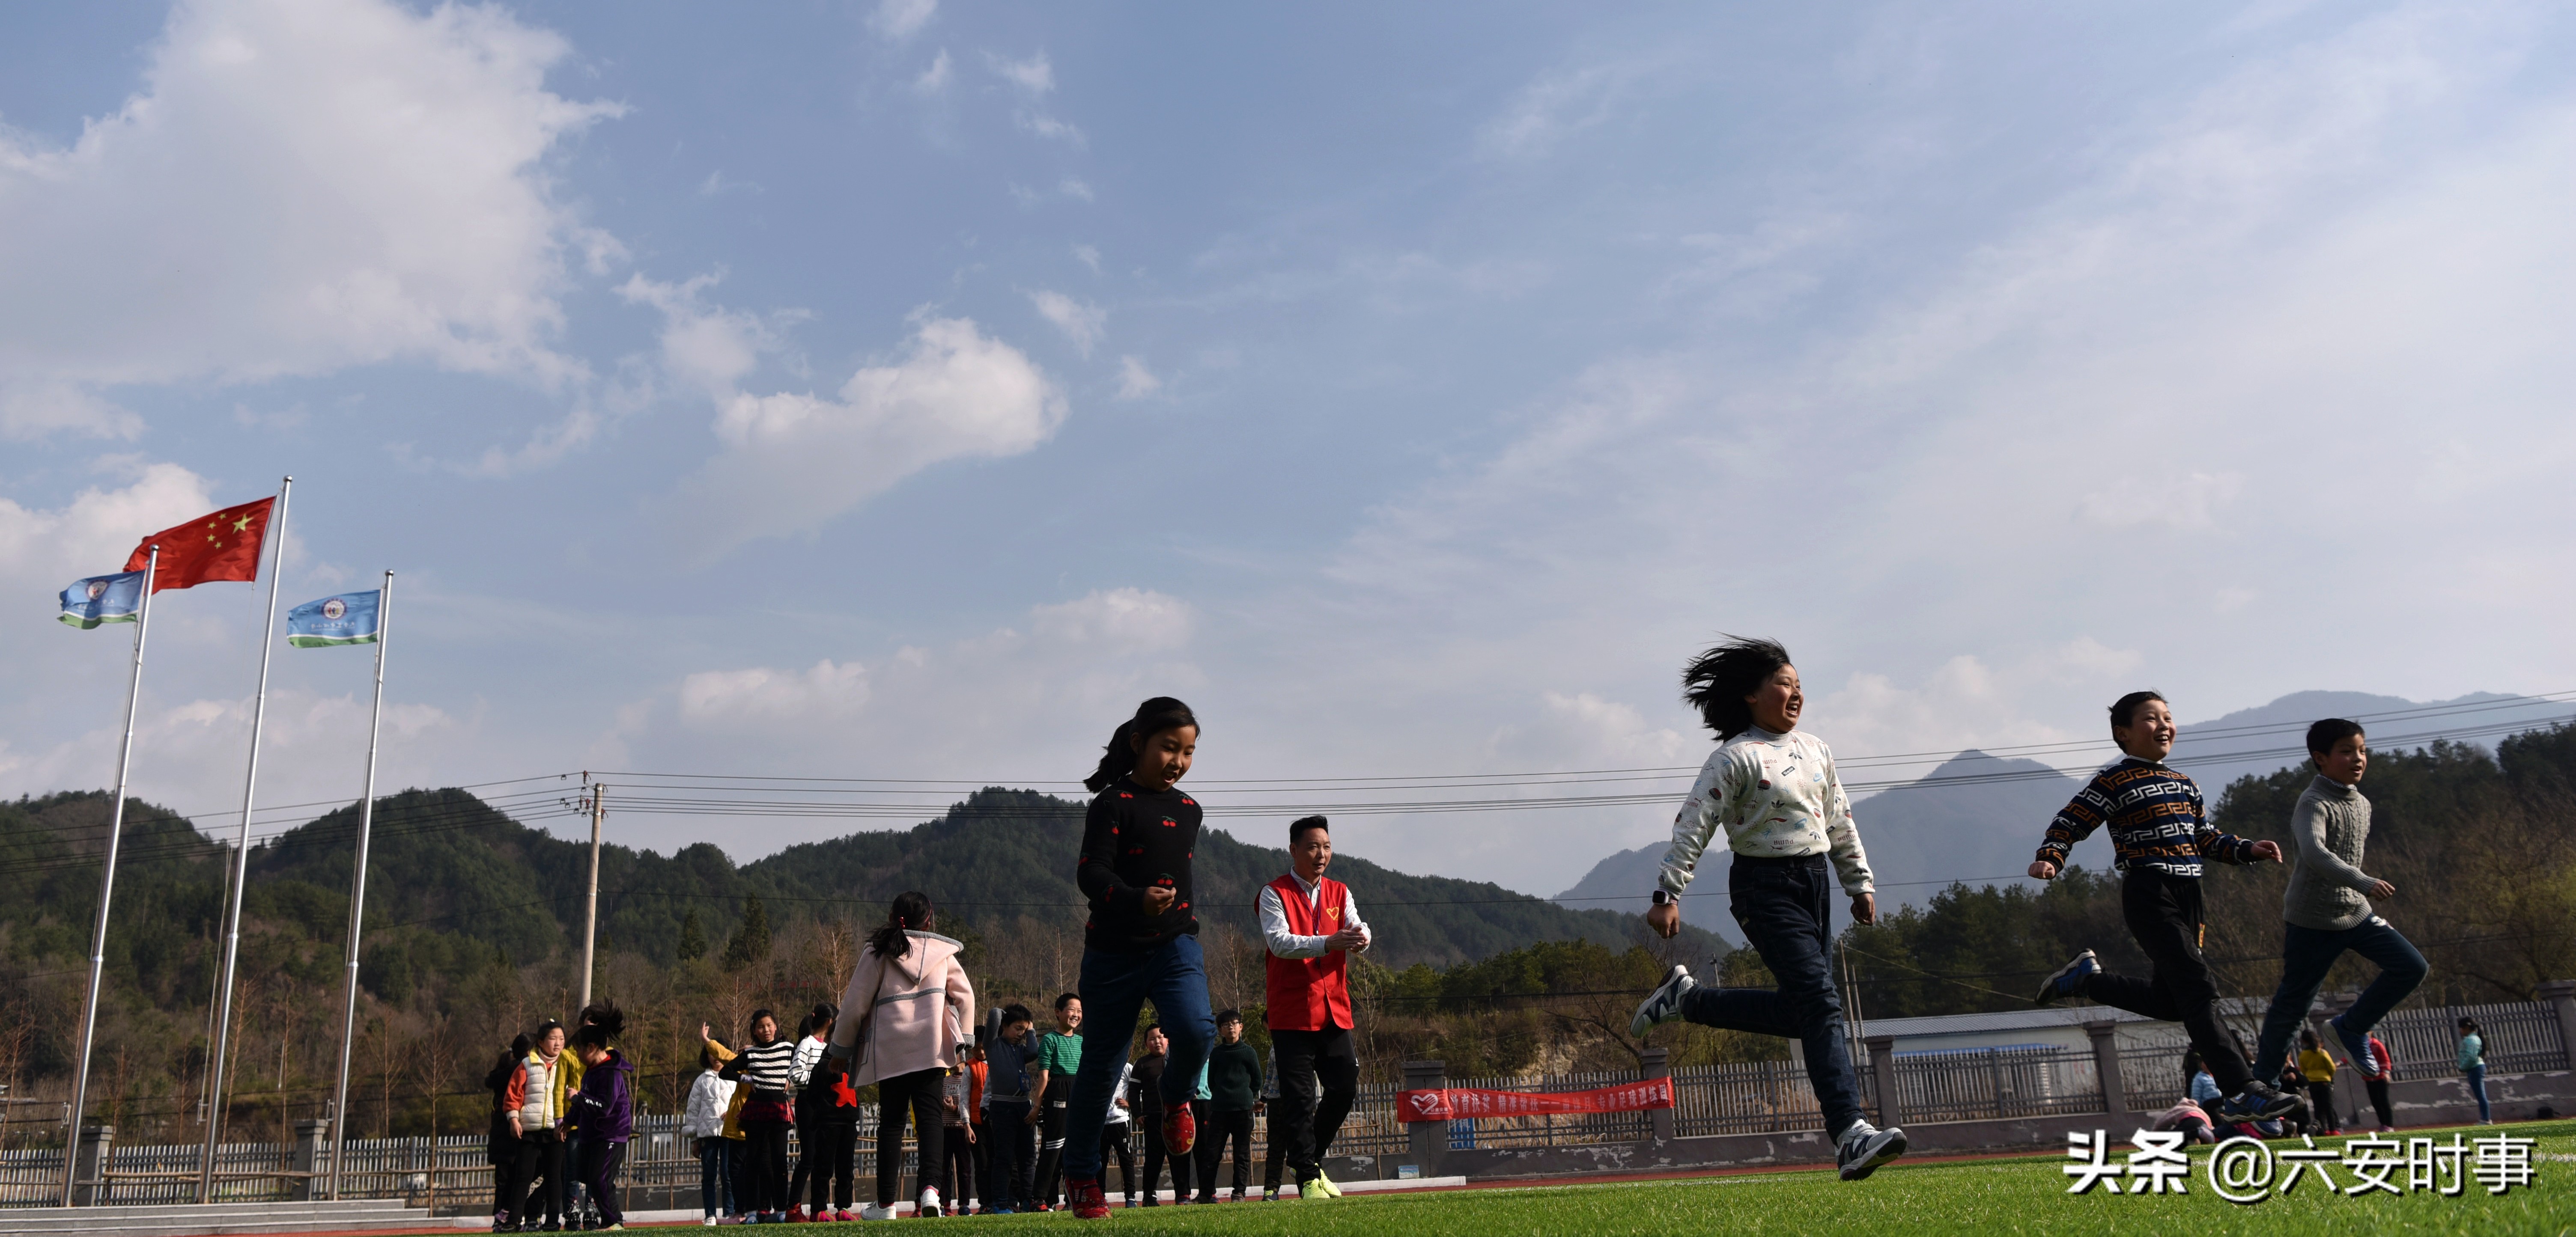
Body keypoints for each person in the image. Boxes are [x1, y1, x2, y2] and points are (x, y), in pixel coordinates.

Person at [1629, 638, 1908, 1181]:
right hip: (1763, 887)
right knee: (1822, 1004)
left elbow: (1839, 819)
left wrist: (1859, 884)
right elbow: (1694, 824)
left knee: (1805, 1011)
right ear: (1752, 696)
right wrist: (1667, 892)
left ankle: (1689, 1000)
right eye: (1785, 684)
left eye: (1800, 686)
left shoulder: (1817, 750)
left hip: (1816, 883)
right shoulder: (1734, 757)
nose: (1796, 693)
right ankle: (1850, 1132)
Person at [2024, 690, 2301, 1125]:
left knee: (2174, 1002)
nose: (2164, 725)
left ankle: (2089, 981)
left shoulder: (2185, 784)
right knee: (2198, 986)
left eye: (2168, 717)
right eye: (2150, 719)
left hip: (2191, 896)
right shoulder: (2113, 781)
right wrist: (2051, 857)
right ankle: (2243, 1088)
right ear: (2123, 733)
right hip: (2148, 891)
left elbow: (2206, 838)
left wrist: (2248, 849)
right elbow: (2071, 820)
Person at [1059, 697, 1220, 1221]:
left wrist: (1165, 914)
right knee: (1103, 1067)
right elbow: (1091, 873)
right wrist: (1135, 898)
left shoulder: (1191, 810)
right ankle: (1081, 1175)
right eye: (1169, 748)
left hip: (1176, 946)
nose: (1178, 760)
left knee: (1197, 1032)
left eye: (1189, 751)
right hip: (1112, 954)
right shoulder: (1112, 803)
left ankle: (1175, 1098)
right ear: (1139, 744)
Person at [2249, 721, 2428, 1089]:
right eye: (2346, 751)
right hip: (2312, 921)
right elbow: (2315, 853)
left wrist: (2359, 892)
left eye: (2361, 750)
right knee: (2292, 1008)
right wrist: (2364, 882)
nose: (2358, 759)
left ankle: (2351, 1026)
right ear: (2321, 758)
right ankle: (2261, 1090)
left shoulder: (2362, 803)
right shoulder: (2312, 802)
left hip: (2356, 914)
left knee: (2411, 967)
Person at [829, 890, 975, 1220]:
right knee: (930, 1121)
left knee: (892, 1124)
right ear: (930, 918)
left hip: (889, 1050)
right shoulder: (943, 953)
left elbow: (854, 1006)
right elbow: (966, 997)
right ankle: (930, 1193)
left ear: (894, 916)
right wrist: (964, 1042)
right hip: (932, 1050)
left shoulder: (878, 952)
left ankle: (885, 1206)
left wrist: (840, 1050)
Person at [1260, 815, 1370, 1202]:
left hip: (1334, 1008)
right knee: (1300, 1100)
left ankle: (1306, 1159)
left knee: (1344, 1086)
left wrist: (1361, 938)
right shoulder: (1274, 893)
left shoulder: (1341, 891)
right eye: (1312, 846)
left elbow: (1358, 926)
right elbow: (1279, 942)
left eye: (1326, 846)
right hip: (1291, 1013)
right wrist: (1329, 942)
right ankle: (1308, 1179)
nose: (1321, 854)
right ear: (1294, 851)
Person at [717, 1010, 796, 1222]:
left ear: (776, 1027)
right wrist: (746, 1079)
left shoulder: (788, 1048)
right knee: (752, 1161)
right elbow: (725, 1071)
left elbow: (802, 1064)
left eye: (769, 1025)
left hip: (779, 1109)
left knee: (780, 1161)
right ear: (754, 1031)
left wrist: (791, 1078)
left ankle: (781, 1210)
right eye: (761, 1027)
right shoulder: (750, 1054)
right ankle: (751, 1212)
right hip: (757, 1110)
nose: (766, 1030)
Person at [563, 1012, 633, 1232]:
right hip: (594, 1135)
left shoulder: (610, 1074)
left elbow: (604, 1107)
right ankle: (609, 1221)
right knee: (592, 1179)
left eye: (579, 1051)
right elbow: (583, 1106)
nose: (577, 1056)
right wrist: (569, 1121)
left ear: (591, 1047)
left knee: (600, 1178)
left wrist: (577, 1097)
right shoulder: (591, 1073)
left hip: (611, 1134)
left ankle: (615, 1222)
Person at [1196, 1011, 1263, 1203]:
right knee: (1212, 1154)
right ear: (1220, 1030)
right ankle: (1205, 1194)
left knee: (1241, 1154)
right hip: (1219, 1110)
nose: (1231, 1027)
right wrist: (1222, 1096)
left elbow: (1257, 1080)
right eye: (1226, 1025)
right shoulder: (1216, 1054)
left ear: (1241, 1027)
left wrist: (1245, 1095)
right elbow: (1211, 1081)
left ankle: (1239, 1193)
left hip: (1243, 1111)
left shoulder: (1249, 1052)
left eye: (1235, 1023)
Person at [1028, 993, 1085, 1209]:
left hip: (1077, 1091)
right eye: (1072, 1010)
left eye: (1080, 1012)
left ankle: (1072, 1199)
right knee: (1054, 1146)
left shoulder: (1081, 1041)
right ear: (1058, 1013)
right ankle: (1042, 1199)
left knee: (1074, 1148)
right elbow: (1044, 1077)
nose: (1076, 1015)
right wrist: (1037, 1106)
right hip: (1057, 1091)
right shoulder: (1050, 1040)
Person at [981, 1004, 1039, 1213]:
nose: (1020, 1034)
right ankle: (1000, 1203)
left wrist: (1031, 1029)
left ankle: (1029, 1199)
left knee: (1027, 1157)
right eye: (1017, 1028)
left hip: (1023, 1107)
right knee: (1004, 1157)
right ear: (1004, 1026)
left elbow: (1034, 1051)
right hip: (1002, 1107)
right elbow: (995, 1012)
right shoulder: (993, 1046)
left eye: (1024, 1030)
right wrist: (1012, 1014)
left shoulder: (1021, 1051)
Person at [784, 1004, 838, 1222]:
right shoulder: (807, 1043)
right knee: (808, 1158)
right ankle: (793, 1209)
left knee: (821, 1159)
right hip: (807, 1103)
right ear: (830, 1022)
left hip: (822, 1104)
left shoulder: (827, 1047)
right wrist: (819, 1082)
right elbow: (795, 1074)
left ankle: (819, 1208)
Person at [681, 1044, 735, 1227]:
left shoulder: (734, 1077)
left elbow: (740, 1100)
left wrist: (732, 1112)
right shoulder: (701, 1081)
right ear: (707, 1056)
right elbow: (693, 1111)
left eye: (718, 1052)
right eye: (711, 1053)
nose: (716, 1057)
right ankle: (710, 1215)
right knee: (709, 1175)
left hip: (729, 1133)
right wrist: (695, 1139)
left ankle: (729, 1213)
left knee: (728, 1174)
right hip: (707, 1135)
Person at [1130, 1025, 1180, 1207]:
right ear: (1146, 1044)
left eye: (1161, 1037)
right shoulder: (1142, 1064)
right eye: (1152, 1039)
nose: (1157, 1041)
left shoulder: (1176, 1060)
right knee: (1153, 1159)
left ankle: (1182, 1194)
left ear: (1168, 1040)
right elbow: (1133, 1092)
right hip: (1153, 1118)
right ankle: (1149, 1197)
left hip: (1176, 1117)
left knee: (1178, 1158)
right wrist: (1137, 1114)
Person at [487, 1035, 532, 1231]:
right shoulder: (521, 1069)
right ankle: (507, 1216)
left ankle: (502, 1217)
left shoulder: (503, 1071)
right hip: (512, 1129)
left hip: (501, 1130)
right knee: (514, 1178)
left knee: (505, 1179)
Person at [937, 1056, 978, 1215]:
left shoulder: (968, 1079)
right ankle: (944, 1204)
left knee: (964, 1169)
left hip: (962, 1129)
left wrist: (954, 1109)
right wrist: (944, 1105)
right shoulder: (945, 1080)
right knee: (943, 1169)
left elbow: (969, 1105)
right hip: (945, 1129)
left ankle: (964, 1204)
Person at [1100, 1051, 1138, 1206]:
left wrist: (1131, 1103)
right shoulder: (1097, 1067)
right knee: (1100, 1161)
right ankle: (1101, 1198)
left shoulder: (1127, 1068)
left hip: (1120, 1121)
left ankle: (1130, 1198)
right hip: (1101, 1123)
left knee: (1126, 1159)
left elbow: (1139, 1088)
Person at [2294, 1030, 2342, 1136]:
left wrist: (2311, 1075)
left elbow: (2304, 1070)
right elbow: (2331, 1068)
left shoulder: (2303, 1055)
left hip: (2312, 1082)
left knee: (2318, 1108)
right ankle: (2333, 1129)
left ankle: (2322, 1130)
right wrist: (2328, 1076)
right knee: (2328, 1107)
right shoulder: (2322, 1053)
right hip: (2325, 1081)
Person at [2360, 1030, 2397, 1132]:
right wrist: (2341, 1062)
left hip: (2381, 1078)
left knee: (2384, 1101)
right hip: (2369, 1078)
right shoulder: (2360, 1046)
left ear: (2371, 1032)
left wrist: (2386, 1073)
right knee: (2375, 1102)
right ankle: (2383, 1124)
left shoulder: (2377, 1045)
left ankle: (2389, 1125)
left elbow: (2386, 1060)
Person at [2460, 1017, 2490, 1124]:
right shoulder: (2474, 1039)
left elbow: (2471, 1057)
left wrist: (2462, 1067)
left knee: (2481, 1095)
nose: (2461, 1031)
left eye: (2462, 1028)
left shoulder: (2471, 1040)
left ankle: (2486, 1119)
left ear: (2467, 1028)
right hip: (2475, 1068)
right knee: (2480, 1095)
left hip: (2475, 1069)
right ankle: (2485, 1118)